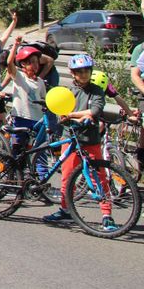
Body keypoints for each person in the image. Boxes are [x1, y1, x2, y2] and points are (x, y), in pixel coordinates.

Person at [42, 73, 115, 231]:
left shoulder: (96, 91)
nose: (83, 74)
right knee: (67, 178)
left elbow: (94, 111)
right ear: (73, 73)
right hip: (71, 139)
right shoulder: (68, 91)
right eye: (79, 71)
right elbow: (60, 111)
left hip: (91, 140)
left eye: (86, 71)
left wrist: (74, 115)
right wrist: (65, 116)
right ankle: (65, 210)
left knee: (100, 179)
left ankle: (106, 215)